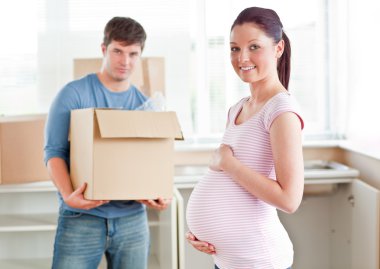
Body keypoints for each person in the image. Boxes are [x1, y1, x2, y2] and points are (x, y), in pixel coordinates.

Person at [44, 17, 170, 269]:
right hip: (81, 217)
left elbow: (149, 162)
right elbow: (53, 151)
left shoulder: (144, 106)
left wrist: (157, 194)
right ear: (104, 49)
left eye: (133, 54)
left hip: (132, 219)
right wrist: (68, 195)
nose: (125, 61)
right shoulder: (74, 94)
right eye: (118, 51)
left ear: (140, 55)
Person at [186, 7, 304, 269]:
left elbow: (289, 199)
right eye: (234, 48)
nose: (242, 57)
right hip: (228, 261)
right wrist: (202, 233)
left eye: (253, 47)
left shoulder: (281, 110)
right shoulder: (238, 108)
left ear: (278, 48)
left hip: (259, 260)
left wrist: (230, 164)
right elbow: (228, 185)